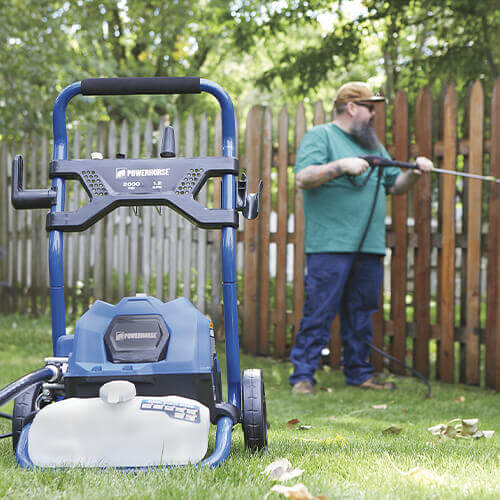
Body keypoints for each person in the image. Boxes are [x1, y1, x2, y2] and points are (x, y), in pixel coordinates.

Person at [290, 82, 433, 394]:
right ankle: (302, 377)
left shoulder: (372, 144)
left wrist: (415, 173)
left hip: (369, 247)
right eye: (370, 108)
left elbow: (395, 186)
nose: (373, 115)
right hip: (330, 245)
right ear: (352, 107)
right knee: (319, 312)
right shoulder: (321, 136)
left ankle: (360, 375)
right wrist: (341, 166)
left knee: (362, 314)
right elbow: (303, 177)